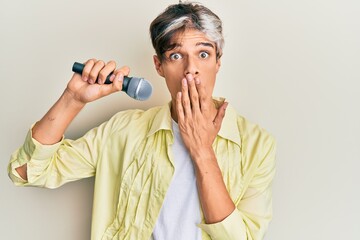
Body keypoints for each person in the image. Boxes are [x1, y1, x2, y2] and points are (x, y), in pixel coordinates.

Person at [8, 2, 276, 240]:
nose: (190, 68)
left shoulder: (257, 145)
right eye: (176, 55)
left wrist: (202, 150)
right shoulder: (124, 130)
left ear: (218, 61)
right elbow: (28, 170)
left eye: (203, 54)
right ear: (159, 65)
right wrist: (72, 99)